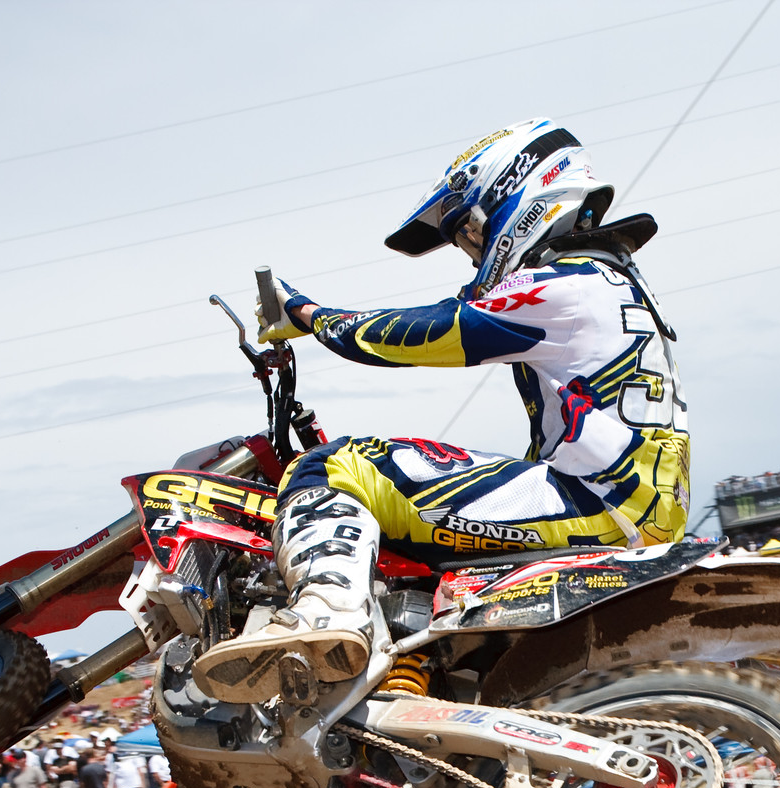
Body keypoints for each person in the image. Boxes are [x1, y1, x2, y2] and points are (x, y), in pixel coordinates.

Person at [192, 122, 685, 703]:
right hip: (626, 503)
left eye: (471, 231)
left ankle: (325, 615)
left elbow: (425, 334)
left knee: (339, 468)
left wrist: (305, 312)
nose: (473, 250)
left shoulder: (570, 284)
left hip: (599, 502)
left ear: (521, 198)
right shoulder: (607, 281)